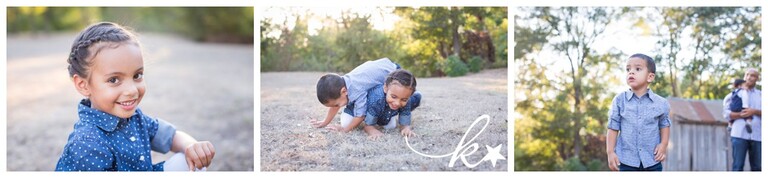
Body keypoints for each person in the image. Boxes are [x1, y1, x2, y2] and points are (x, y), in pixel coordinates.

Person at [55, 22, 215, 171]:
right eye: (114, 80)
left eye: (137, 75)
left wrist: (191, 145)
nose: (132, 90)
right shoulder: (88, 144)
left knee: (190, 162)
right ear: (83, 85)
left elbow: (170, 136)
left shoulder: (135, 118)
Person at [606, 53, 671, 171]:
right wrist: (610, 152)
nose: (631, 72)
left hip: (652, 160)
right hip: (626, 161)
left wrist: (663, 145)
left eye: (637, 69)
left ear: (650, 77)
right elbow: (613, 127)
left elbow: (664, 124)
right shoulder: (619, 100)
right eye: (628, 69)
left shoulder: (661, 103)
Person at [312, 58, 399, 133]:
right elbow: (334, 106)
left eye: (337, 104)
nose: (336, 106)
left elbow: (360, 115)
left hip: (394, 72)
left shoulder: (357, 90)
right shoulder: (342, 83)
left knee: (383, 97)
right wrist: (325, 122)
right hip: (382, 65)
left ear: (344, 91)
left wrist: (345, 130)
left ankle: (387, 115)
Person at [362, 69, 422, 140]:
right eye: (394, 97)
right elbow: (368, 126)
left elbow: (405, 120)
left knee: (391, 126)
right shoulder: (376, 99)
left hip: (388, 108)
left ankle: (417, 96)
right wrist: (373, 131)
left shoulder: (406, 99)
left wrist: (406, 128)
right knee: (388, 124)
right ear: (385, 88)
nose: (397, 103)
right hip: (376, 106)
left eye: (404, 99)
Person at [724, 68, 762, 171]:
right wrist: (741, 115)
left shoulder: (761, 95)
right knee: (738, 166)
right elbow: (726, 113)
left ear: (757, 78)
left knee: (757, 168)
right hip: (738, 135)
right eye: (747, 75)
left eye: (752, 75)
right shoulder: (733, 94)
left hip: (758, 136)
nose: (749, 77)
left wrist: (754, 111)